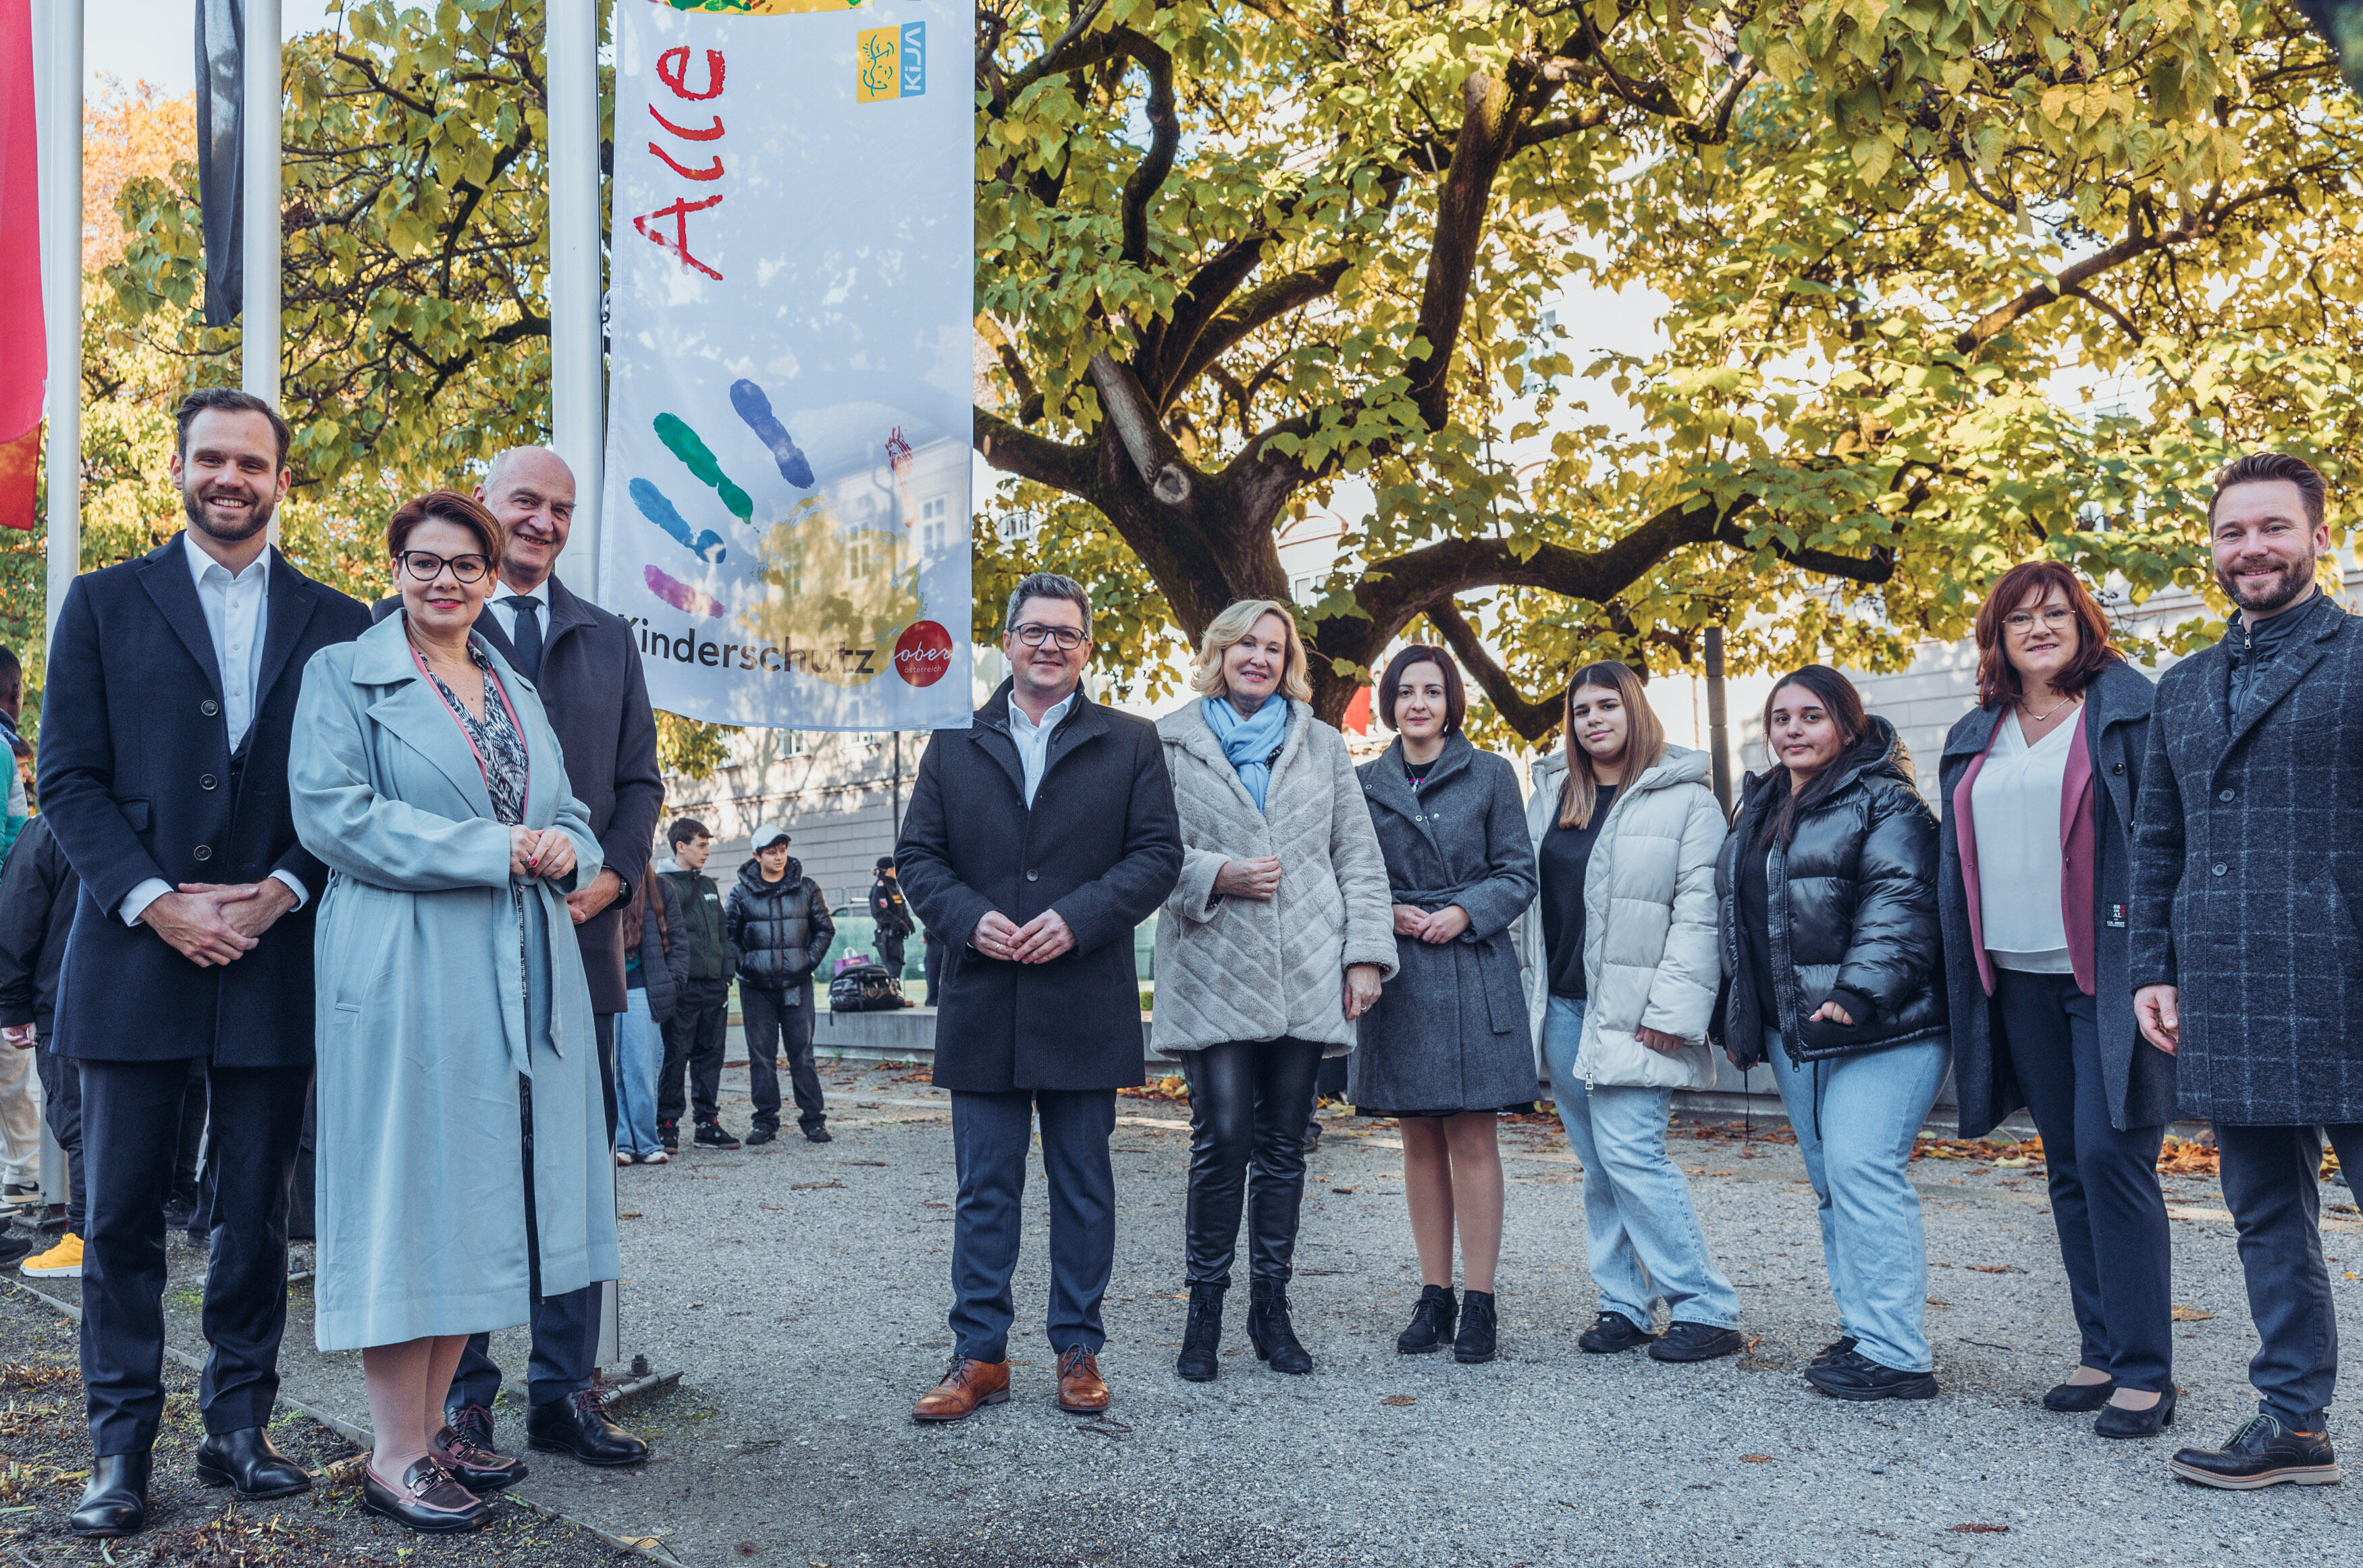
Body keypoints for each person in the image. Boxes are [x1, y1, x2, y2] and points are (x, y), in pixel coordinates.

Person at [36, 389, 373, 1537]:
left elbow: (352, 794)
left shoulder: (341, 621)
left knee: (253, 1215)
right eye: (212, 458)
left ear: (283, 479)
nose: (231, 477)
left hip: (274, 957)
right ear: (180, 467)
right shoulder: (98, 603)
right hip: (133, 956)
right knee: (122, 1215)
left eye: (253, 462)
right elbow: (68, 779)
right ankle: (118, 1448)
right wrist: (152, 900)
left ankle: (239, 1426)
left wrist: (284, 888)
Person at [293, 489, 616, 1532]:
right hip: (403, 959)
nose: (445, 581)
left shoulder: (512, 685)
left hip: (514, 965)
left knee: (475, 1204)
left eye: (465, 566)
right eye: (423, 562)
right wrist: (493, 850)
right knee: (409, 1203)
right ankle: (393, 1455)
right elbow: (334, 814)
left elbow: (564, 807)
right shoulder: (343, 673)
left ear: (490, 576)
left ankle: (431, 1436)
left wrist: (574, 845)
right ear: (394, 569)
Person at [383, 448, 660, 1471]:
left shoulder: (607, 638)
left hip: (574, 945)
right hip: (456, 952)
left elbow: (638, 782)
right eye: (524, 504)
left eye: (560, 508)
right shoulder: (421, 624)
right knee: (466, 1176)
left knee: (568, 1180)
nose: (542, 521)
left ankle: (565, 1390)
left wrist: (615, 877)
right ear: (483, 510)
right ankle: (465, 1399)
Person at [897, 572, 1181, 1422]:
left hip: (1080, 994)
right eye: (1033, 631)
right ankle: (979, 1354)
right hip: (984, 992)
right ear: (1009, 642)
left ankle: (1077, 1346)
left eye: (1065, 632)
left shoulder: (1130, 740)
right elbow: (919, 859)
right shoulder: (952, 740)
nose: (1049, 644)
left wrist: (1079, 916)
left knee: (1082, 1182)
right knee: (984, 1186)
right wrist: (967, 919)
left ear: (1086, 647)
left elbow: (1156, 855)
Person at [2131, 452, 2363, 1489]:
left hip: (2347, 978)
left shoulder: (2360, 659)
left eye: (2273, 527)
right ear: (2214, 549)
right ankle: (2293, 1422)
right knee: (2267, 1214)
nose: (2252, 548)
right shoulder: (2183, 686)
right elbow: (2157, 840)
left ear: (2320, 536)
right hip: (2225, 984)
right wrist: (2155, 967)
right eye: (2233, 532)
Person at [1936, 561, 2175, 1438]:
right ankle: (2101, 1349)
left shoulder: (2127, 714)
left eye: (2055, 613)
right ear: (1997, 638)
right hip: (2016, 975)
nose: (2039, 628)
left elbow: (2163, 840)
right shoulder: (1975, 731)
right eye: (2019, 619)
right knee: (2069, 1162)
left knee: (2115, 1157)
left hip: (2107, 973)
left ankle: (2150, 1370)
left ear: (2085, 622)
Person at [1154, 599, 1395, 1381]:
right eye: (1244, 644)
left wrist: (1364, 955)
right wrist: (1213, 875)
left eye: (1273, 646)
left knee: (1284, 1145)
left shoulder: (1322, 743)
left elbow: (1356, 855)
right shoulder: (1170, 742)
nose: (1258, 656)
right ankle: (1204, 1312)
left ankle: (1271, 1310)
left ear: (1287, 658)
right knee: (1222, 1136)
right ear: (1218, 650)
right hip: (1212, 961)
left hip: (1305, 966)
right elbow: (1146, 852)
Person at [1714, 666, 1949, 1403]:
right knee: (1830, 1184)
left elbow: (1901, 900)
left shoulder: (1886, 800)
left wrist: (1857, 991)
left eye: (1810, 715)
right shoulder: (1758, 805)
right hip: (1798, 1029)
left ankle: (1898, 1354)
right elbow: (1743, 920)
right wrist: (1741, 1011)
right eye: (1779, 717)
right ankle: (1865, 1329)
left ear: (1845, 725)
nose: (1791, 729)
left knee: (1860, 1169)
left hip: (1884, 1025)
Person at [1518, 661, 1742, 1364]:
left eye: (1606, 705)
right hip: (1562, 1005)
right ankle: (1622, 1303)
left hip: (1638, 1010)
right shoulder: (1554, 792)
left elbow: (1698, 917)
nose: (1592, 720)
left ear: (1634, 710)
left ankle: (1705, 1307)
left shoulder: (1686, 800)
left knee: (1633, 1156)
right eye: (1580, 710)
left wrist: (1672, 1014)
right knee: (1596, 1163)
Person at [1352, 646, 1537, 1364]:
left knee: (1472, 1138)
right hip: (1400, 974)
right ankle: (1434, 1293)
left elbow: (1517, 871)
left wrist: (1463, 911)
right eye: (1405, 692)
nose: (1418, 704)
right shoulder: (1363, 780)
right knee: (1416, 1141)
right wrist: (1386, 911)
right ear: (1390, 702)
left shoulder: (1491, 773)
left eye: (1432, 691)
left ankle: (1480, 1300)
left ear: (1451, 701)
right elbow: (1351, 869)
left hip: (1470, 966)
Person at [724, 825, 836, 1146]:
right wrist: (747, 965)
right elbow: (729, 935)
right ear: (756, 855)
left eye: (783, 850)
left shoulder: (807, 888)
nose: (779, 857)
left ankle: (813, 1121)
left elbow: (824, 930)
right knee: (761, 1057)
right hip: (756, 988)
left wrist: (806, 962)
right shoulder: (740, 893)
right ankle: (765, 1122)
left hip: (797, 986)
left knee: (803, 1056)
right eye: (771, 852)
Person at [0, 815, 76, 1274]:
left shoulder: (51, 827)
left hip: (60, 996)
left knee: (77, 1118)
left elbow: (20, 908)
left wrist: (13, 1002)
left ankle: (87, 1231)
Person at [656, 819, 735, 1150]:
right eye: (701, 845)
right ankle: (667, 1125)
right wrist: (674, 981)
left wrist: (726, 975)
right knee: (676, 1055)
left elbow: (722, 934)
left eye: (707, 844)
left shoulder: (708, 886)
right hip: (682, 989)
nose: (707, 851)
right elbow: (660, 938)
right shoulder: (662, 886)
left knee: (711, 1057)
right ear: (681, 847)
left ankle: (707, 1124)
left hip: (714, 987)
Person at [617, 863, 689, 1166]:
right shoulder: (594, 880)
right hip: (604, 991)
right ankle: (621, 1143)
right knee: (611, 1071)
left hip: (641, 990)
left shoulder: (660, 888)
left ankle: (647, 1143)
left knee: (640, 1070)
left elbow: (679, 944)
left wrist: (670, 986)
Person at [871, 856, 915, 981]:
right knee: (892, 970)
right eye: (894, 868)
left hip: (897, 937)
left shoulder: (893, 887)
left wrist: (907, 921)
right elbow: (880, 912)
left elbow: (900, 907)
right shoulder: (881, 888)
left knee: (897, 966)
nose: (897, 870)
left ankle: (897, 997)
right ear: (888, 870)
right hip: (888, 936)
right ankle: (894, 998)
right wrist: (898, 923)